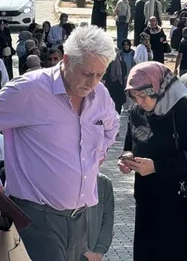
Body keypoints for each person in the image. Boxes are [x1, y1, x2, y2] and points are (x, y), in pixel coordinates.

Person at [0, 25, 119, 261]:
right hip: (35, 219)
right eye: (86, 73)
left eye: (100, 74)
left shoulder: (100, 95)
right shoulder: (28, 90)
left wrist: (97, 154)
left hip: (80, 220)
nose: (92, 82)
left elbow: (111, 127)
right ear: (66, 60)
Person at [120, 62, 187, 260]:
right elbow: (131, 143)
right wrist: (127, 158)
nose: (139, 101)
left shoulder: (183, 108)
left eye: (143, 95)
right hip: (148, 199)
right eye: (134, 96)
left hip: (180, 200)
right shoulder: (138, 111)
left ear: (159, 88)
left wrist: (157, 166)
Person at [82, 172, 114, 261]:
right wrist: (84, 251)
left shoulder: (104, 182)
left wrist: (99, 251)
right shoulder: (64, 180)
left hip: (94, 254)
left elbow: (108, 220)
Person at [105, 40, 135, 113]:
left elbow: (105, 76)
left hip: (112, 87)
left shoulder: (108, 64)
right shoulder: (121, 63)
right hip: (117, 87)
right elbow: (124, 75)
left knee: (112, 106)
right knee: (117, 107)